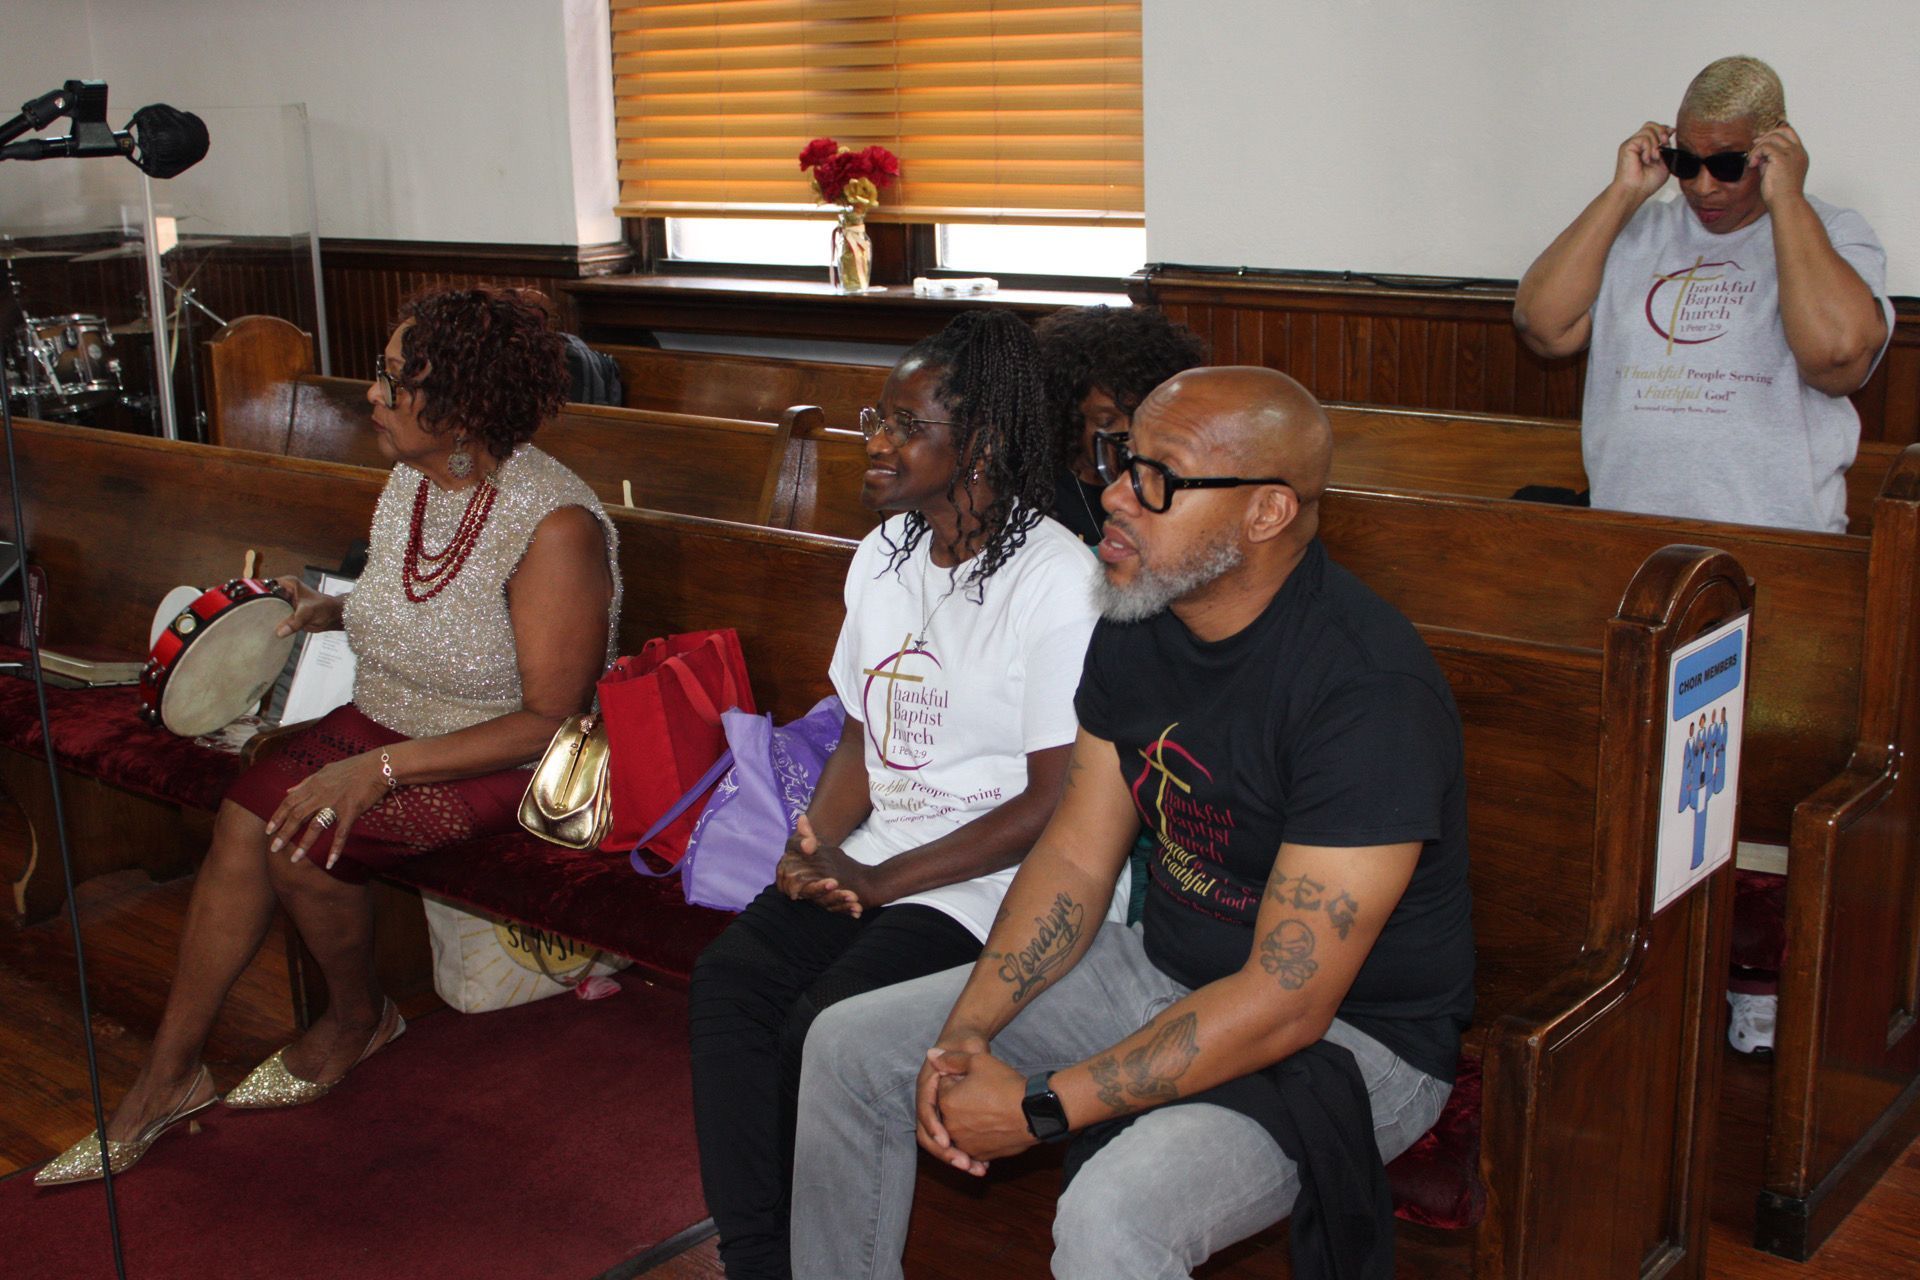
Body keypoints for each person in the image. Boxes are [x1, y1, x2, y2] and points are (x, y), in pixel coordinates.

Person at [791, 367, 1473, 1279]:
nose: (1114, 494)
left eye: (1158, 477)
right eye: (1121, 459)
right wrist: (969, 1031)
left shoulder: (1366, 694)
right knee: (848, 1046)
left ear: (1266, 512)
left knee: (1115, 1211)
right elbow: (1076, 856)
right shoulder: (1139, 616)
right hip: (1164, 966)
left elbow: (1287, 1000)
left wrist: (1040, 1108)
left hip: (1354, 1037)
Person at [36, 286, 619, 1186]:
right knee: (244, 819)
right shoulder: (413, 479)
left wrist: (378, 770)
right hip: (390, 718)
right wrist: (332, 609)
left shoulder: (555, 526)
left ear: (463, 407)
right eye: (380, 374)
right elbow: (433, 604)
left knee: (307, 845)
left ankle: (356, 1018)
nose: (372, 395)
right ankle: (167, 1075)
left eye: (394, 381)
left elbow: (549, 716)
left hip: (502, 752)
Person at [687, 309, 1122, 1279]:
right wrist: (812, 845)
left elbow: (1055, 801)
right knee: (731, 984)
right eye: (874, 419)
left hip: (994, 886)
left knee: (822, 1022)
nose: (876, 442)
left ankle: (821, 1254)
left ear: (984, 445)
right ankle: (761, 1259)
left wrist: (878, 881)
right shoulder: (885, 554)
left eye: (904, 425)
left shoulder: (1057, 581)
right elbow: (860, 732)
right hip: (881, 855)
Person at [1513, 55, 1892, 534]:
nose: (1702, 186)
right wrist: (1624, 193)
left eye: (1727, 165)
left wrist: (1787, 199)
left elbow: (1836, 360)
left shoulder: (1833, 233)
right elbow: (1542, 328)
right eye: (1686, 163)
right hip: (1626, 532)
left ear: (1775, 147)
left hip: (1779, 541)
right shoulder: (1636, 230)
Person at [1034, 305, 1209, 545]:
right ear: (1068, 417)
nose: (1127, 435)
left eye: (1140, 416)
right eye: (1106, 422)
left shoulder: (1173, 481)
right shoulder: (1038, 492)